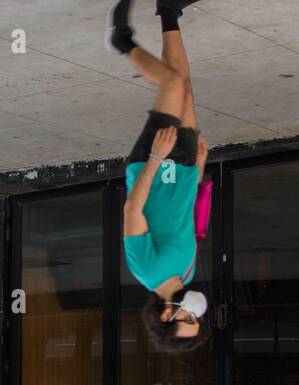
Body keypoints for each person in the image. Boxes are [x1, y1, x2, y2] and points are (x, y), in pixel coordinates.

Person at [108, 0, 211, 352]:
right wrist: (198, 167)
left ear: (167, 316)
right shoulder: (186, 275)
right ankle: (169, 10)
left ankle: (123, 41)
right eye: (197, 320)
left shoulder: (146, 271)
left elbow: (132, 212)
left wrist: (154, 157)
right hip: (182, 167)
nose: (196, 314)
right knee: (185, 87)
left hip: (155, 161)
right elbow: (183, 215)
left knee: (172, 82)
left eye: (189, 320)